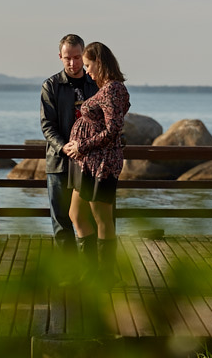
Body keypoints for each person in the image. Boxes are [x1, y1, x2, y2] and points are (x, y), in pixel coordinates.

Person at [63, 41, 130, 285]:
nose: (87, 70)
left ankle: (105, 275)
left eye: (89, 65)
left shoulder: (113, 89)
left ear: (100, 63)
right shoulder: (109, 89)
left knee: (102, 218)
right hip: (88, 163)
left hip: (101, 163)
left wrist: (81, 146)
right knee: (76, 214)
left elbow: (113, 129)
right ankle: (91, 271)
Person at [40, 34, 98, 251]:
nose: (73, 63)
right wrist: (64, 147)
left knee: (89, 217)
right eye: (67, 58)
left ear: (84, 56)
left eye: (77, 57)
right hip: (59, 162)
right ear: (60, 57)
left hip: (89, 161)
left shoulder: (95, 83)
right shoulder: (51, 86)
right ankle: (67, 272)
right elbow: (47, 125)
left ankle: (89, 269)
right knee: (62, 220)